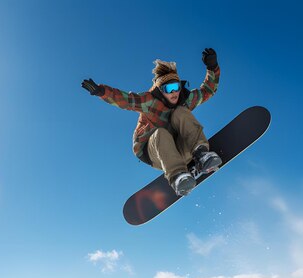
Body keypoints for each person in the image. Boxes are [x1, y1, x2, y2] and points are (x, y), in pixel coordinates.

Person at [81, 48, 221, 196]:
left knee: (181, 112)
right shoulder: (149, 101)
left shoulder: (185, 99)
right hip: (154, 152)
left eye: (176, 87)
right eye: (169, 88)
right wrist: (101, 92)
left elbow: (207, 91)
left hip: (181, 148)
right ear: (161, 90)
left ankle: (201, 154)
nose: (174, 93)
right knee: (161, 133)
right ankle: (177, 176)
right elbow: (126, 100)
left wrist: (212, 68)